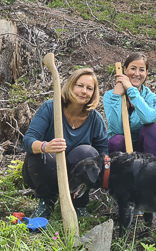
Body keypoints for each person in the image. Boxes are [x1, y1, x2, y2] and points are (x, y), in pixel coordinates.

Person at [22, 67, 108, 219]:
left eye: (89, 88)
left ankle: (79, 204)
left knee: (88, 153)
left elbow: (102, 155)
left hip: (74, 180)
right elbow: (28, 140)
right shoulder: (50, 108)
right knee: (39, 153)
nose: (84, 91)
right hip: (46, 171)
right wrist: (45, 146)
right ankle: (46, 203)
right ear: (70, 86)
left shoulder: (95, 119)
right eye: (80, 85)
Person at [103, 53, 156, 157]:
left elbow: (148, 118)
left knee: (152, 128)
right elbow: (117, 129)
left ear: (146, 73)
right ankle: (118, 172)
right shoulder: (110, 96)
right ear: (125, 70)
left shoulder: (152, 98)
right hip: (121, 149)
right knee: (116, 140)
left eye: (141, 70)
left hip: (143, 148)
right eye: (133, 68)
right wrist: (116, 96)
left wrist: (131, 91)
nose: (137, 73)